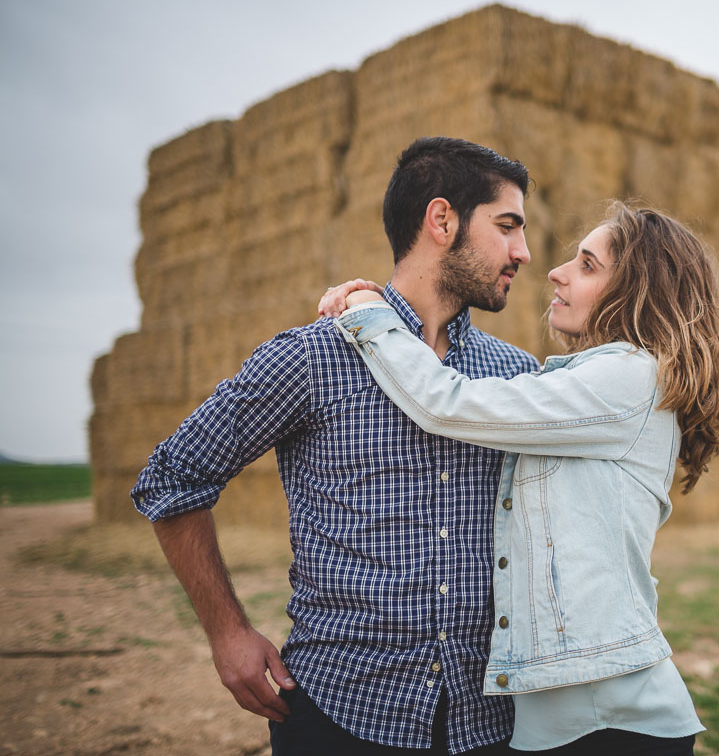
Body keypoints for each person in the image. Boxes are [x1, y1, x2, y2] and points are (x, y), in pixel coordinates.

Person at [131, 136, 540, 755]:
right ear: (441, 219)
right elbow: (172, 478)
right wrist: (227, 631)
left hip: (490, 725)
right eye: (507, 226)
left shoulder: (517, 376)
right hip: (339, 714)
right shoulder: (313, 357)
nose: (524, 252)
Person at [319, 202, 719, 754]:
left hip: (613, 724)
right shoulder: (596, 382)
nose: (556, 271)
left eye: (588, 266)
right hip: (558, 724)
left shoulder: (630, 379)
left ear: (638, 294)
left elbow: (445, 404)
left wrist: (371, 314)